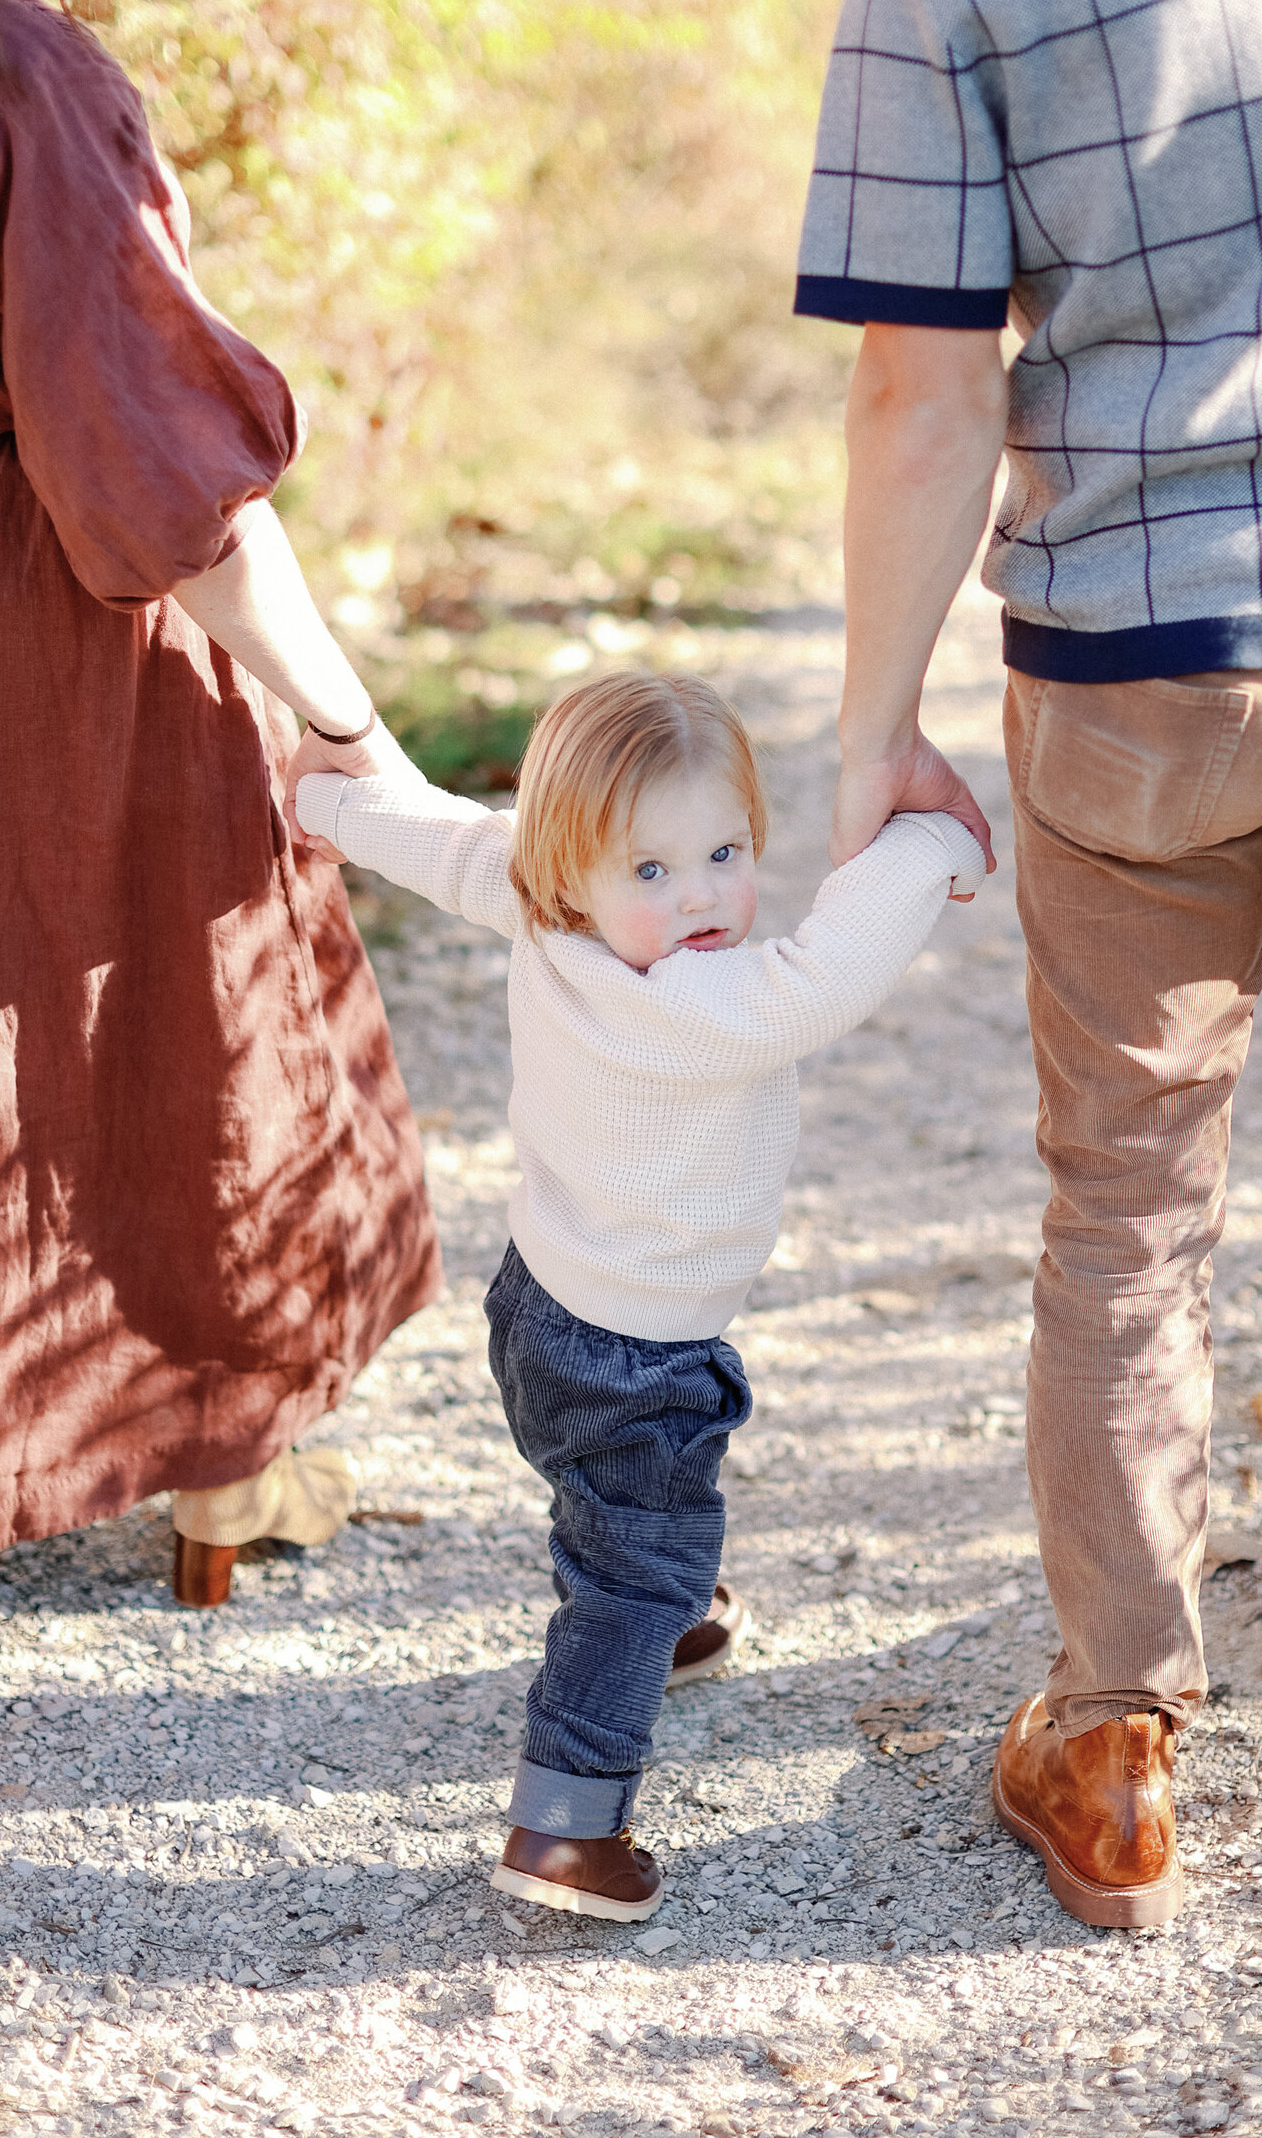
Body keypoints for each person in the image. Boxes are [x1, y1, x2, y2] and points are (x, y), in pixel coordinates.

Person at [797, 0, 1262, 1927]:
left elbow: (920, 387)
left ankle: (1111, 1745)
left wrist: (871, 731)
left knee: (1124, 1209)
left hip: (1131, 662)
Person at [0, 0, 441, 1648]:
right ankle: (225, 1477)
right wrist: (348, 725)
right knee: (184, 1012)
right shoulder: (12, 70)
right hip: (58, 617)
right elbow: (167, 490)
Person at [294, 669, 986, 1917]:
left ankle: (661, 1611)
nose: (701, 899)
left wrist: (332, 810)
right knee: (636, 1563)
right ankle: (564, 1822)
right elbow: (829, 974)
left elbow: (455, 845)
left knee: (620, 1520)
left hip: (541, 1312)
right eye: (651, 873)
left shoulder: (543, 912)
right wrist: (926, 840)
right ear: (574, 876)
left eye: (722, 852)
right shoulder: (703, 1001)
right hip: (637, 1357)